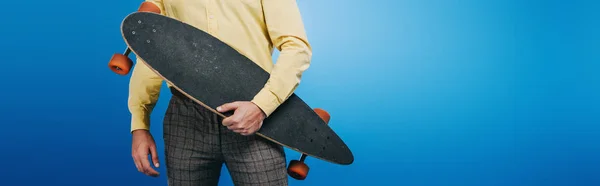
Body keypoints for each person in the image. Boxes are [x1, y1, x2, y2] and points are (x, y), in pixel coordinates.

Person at [127, 0, 312, 185]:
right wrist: (140, 124)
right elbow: (152, 44)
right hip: (186, 120)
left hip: (253, 117)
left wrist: (262, 106)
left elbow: (296, 47)